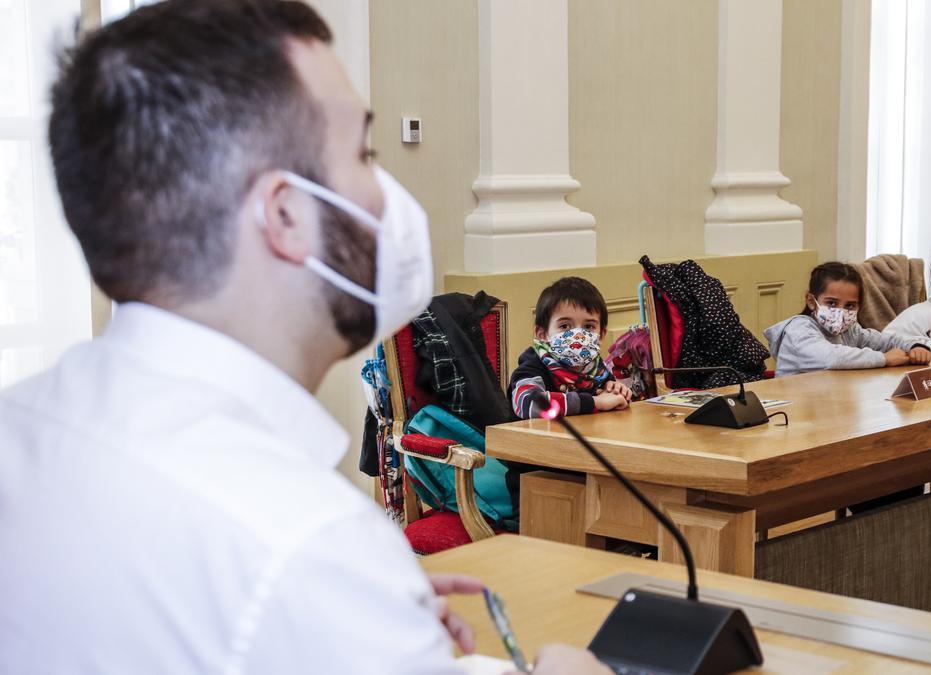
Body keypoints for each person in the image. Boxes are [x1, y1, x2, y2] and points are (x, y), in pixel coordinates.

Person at [0, 2, 607, 673]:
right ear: (286, 215)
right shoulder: (310, 545)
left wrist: (359, 625)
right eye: (363, 154)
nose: (388, 196)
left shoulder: (19, 431)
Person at [765, 262, 931, 377]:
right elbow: (831, 358)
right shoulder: (798, 330)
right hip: (796, 410)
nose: (840, 312)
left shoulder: (850, 330)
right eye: (832, 303)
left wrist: (915, 346)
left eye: (850, 306)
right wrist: (885, 359)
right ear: (811, 301)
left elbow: (883, 341)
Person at [510, 277, 633, 418]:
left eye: (588, 326)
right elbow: (529, 403)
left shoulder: (597, 370)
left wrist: (618, 392)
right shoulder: (533, 366)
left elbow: (611, 403)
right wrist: (596, 402)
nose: (578, 335)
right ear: (542, 334)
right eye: (564, 326)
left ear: (601, 335)